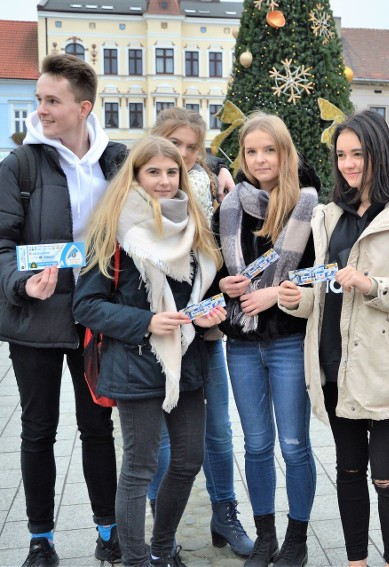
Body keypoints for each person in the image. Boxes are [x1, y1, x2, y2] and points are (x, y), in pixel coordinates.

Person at [0, 53, 125, 567]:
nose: (41, 110)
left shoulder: (115, 162)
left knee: (98, 430)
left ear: (84, 107)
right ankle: (42, 539)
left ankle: (109, 531)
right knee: (38, 431)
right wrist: (20, 284)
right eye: (38, 100)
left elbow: (150, 221)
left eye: (52, 101)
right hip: (34, 322)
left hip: (94, 322)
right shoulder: (22, 164)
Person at [278, 110, 389, 567]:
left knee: (388, 476)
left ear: (380, 153)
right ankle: (356, 562)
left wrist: (374, 286)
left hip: (387, 366)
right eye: (342, 155)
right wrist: (297, 299)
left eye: (359, 154)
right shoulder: (327, 216)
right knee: (348, 472)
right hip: (335, 362)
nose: (350, 164)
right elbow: (325, 292)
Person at [73, 136, 226, 567]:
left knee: (190, 458)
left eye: (171, 172)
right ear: (135, 175)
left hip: (187, 364)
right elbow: (85, 305)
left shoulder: (192, 226)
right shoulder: (113, 229)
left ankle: (162, 547)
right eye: (153, 172)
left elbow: (198, 296)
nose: (163, 181)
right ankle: (136, 558)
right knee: (139, 469)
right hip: (136, 364)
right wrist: (145, 322)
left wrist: (211, 312)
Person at [147, 107, 253, 557]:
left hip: (206, 330)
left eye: (193, 147)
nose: (184, 154)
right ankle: (163, 528)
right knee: (163, 438)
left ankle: (224, 513)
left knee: (219, 430)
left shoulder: (210, 184)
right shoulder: (142, 186)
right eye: (175, 143)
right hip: (160, 331)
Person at [214, 112, 319, 567]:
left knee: (294, 443)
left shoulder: (309, 206)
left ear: (285, 152)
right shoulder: (230, 206)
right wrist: (225, 285)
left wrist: (279, 293)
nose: (260, 159)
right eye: (251, 151)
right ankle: (265, 536)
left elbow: (321, 275)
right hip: (240, 341)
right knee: (256, 445)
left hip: (289, 339)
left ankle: (297, 537)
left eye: (268, 150)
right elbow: (217, 270)